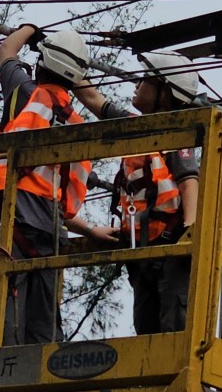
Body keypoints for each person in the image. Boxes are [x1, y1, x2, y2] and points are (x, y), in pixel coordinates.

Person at [0, 24, 118, 345]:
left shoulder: (24, 93)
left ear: (40, 65)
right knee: (43, 323)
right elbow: (65, 203)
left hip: (10, 222)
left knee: (2, 315)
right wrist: (91, 230)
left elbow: (6, 52)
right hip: (51, 232)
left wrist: (29, 29)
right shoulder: (76, 125)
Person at [72, 51, 200, 335]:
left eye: (144, 80)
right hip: (141, 251)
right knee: (145, 326)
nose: (136, 86)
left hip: (170, 248)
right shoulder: (134, 127)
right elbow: (96, 101)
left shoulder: (175, 133)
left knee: (174, 327)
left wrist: (189, 231)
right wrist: (66, 67)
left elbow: (189, 180)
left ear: (164, 94)